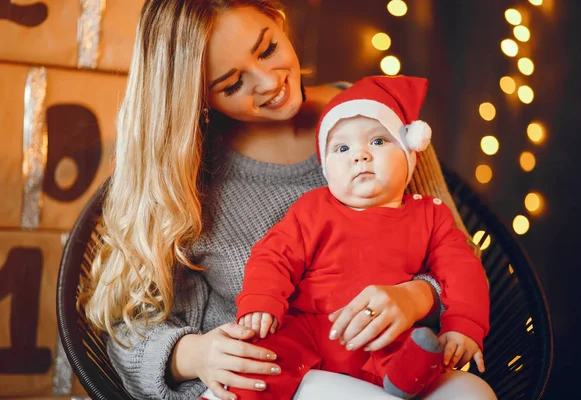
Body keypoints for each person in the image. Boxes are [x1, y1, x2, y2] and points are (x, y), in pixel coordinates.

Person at [78, 1, 497, 399]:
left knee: (474, 393)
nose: (269, 82)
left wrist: (416, 295)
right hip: (279, 380)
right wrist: (195, 355)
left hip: (393, 366)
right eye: (233, 83)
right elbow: (125, 326)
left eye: (268, 48)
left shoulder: (373, 115)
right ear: (197, 96)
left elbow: (458, 260)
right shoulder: (184, 174)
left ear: (278, 19)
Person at [234, 75, 490, 399]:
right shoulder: (313, 208)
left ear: (411, 155)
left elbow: (463, 271)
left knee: (412, 349)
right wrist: (261, 301)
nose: (361, 155)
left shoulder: (430, 216)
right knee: (268, 355)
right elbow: (274, 255)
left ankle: (406, 376)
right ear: (327, 169)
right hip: (311, 328)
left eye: (379, 141)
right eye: (342, 148)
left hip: (383, 332)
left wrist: (464, 326)